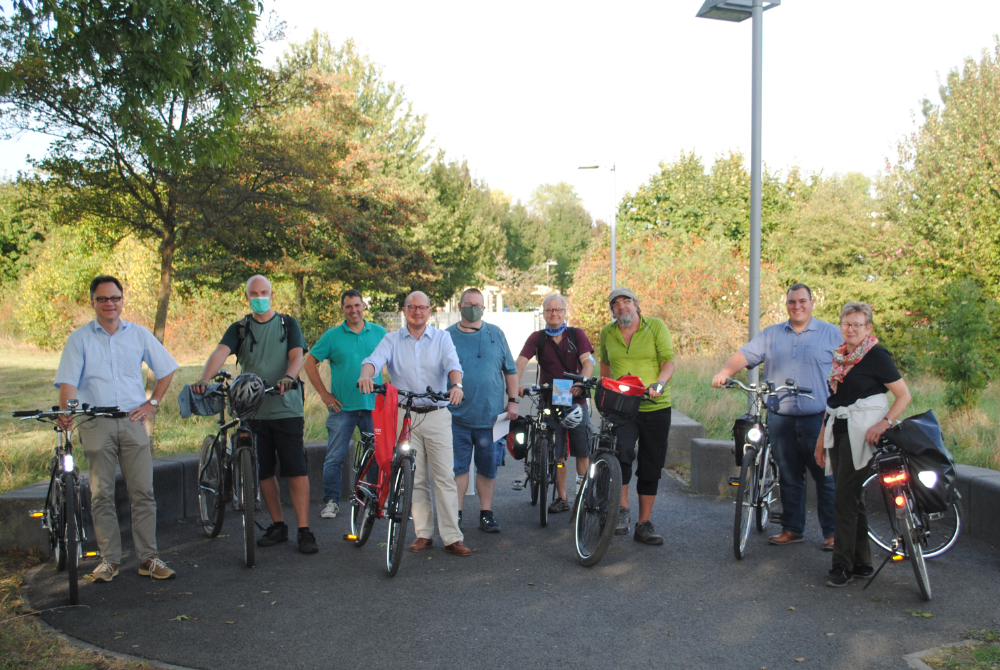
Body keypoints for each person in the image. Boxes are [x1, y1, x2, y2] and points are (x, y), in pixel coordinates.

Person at [54, 275, 179, 582]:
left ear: (123, 301)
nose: (109, 304)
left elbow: (166, 369)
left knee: (143, 492)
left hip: (133, 421)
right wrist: (66, 412)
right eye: (102, 299)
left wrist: (153, 403)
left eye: (114, 298)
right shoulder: (79, 339)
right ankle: (109, 560)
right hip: (96, 423)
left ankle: (148, 558)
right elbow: (68, 382)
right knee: (101, 494)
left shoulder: (138, 335)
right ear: (93, 302)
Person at [712, 283, 841, 549]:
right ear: (787, 305)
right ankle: (793, 529)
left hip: (817, 418)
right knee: (788, 476)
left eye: (802, 301)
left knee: (825, 476)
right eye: (792, 302)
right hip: (780, 417)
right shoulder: (771, 335)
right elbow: (745, 355)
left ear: (812, 303)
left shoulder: (832, 334)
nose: (797, 307)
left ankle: (833, 533)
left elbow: (853, 364)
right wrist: (725, 371)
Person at [194, 275, 317, 554]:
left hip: (285, 408)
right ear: (246, 296)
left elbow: (298, 356)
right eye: (254, 293)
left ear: (272, 295)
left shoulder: (288, 324)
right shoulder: (239, 328)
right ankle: (278, 525)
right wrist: (204, 378)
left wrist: (289, 376)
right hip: (251, 410)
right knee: (262, 471)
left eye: (264, 292)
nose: (259, 297)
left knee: (295, 469)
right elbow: (220, 353)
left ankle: (304, 530)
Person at [358, 291, 471, 556]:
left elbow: (453, 364)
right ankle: (423, 534)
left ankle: (452, 537)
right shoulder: (391, 339)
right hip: (404, 416)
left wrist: (457, 385)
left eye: (422, 307)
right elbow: (374, 361)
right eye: (412, 307)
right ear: (405, 310)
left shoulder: (442, 338)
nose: (417, 311)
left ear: (430, 311)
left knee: (443, 476)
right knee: (414, 477)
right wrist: (366, 376)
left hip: (437, 414)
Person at [814, 302, 911, 587]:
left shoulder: (876, 355)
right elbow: (834, 403)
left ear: (868, 328)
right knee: (852, 498)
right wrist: (821, 441)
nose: (851, 329)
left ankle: (841, 566)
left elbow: (903, 396)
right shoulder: (842, 357)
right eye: (847, 323)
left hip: (862, 433)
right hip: (839, 428)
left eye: (858, 324)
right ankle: (862, 563)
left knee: (844, 498)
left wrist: (885, 423)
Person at [598, 287, 674, 545]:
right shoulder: (607, 332)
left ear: (636, 305)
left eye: (626, 301)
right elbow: (605, 364)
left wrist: (660, 384)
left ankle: (644, 524)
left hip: (655, 406)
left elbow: (668, 361)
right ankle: (622, 511)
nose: (622, 307)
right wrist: (605, 386)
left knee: (651, 464)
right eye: (616, 304)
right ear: (612, 311)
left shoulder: (655, 327)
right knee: (622, 452)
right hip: (623, 406)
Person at [303, 289, 387, 520]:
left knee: (375, 456)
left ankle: (374, 499)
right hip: (342, 408)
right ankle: (331, 501)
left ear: (364, 307)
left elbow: (395, 361)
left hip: (372, 406)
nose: (354, 310)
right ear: (343, 309)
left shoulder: (379, 332)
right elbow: (309, 362)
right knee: (335, 457)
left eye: (357, 305)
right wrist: (323, 394)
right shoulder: (332, 336)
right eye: (349, 306)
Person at [445, 288, 519, 533]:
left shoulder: (495, 334)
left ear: (484, 308)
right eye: (469, 303)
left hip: (492, 416)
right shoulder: (447, 337)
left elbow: (510, 370)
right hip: (456, 417)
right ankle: (455, 516)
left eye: (478, 304)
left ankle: (486, 513)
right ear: (460, 305)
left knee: (488, 468)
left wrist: (513, 400)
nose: (473, 308)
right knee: (458, 468)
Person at [515, 293, 595, 513]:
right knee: (558, 454)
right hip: (549, 398)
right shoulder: (537, 338)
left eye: (558, 309)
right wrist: (516, 385)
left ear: (565, 312)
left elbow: (587, 361)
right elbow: (521, 362)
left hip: (575, 399)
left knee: (582, 451)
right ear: (544, 314)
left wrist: (583, 381)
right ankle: (562, 497)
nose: (554, 313)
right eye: (550, 310)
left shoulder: (576, 335)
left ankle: (582, 495)